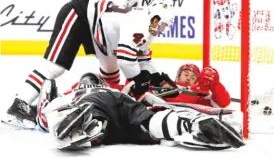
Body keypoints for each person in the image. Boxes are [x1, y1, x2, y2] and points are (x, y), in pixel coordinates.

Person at [4, 0, 177, 128]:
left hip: (101, 33)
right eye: (162, 25)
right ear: (155, 18)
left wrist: (157, 78)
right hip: (79, 14)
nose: (162, 29)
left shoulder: (146, 26)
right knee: (54, 67)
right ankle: (18, 106)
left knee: (111, 75)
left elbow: (143, 59)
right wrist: (139, 80)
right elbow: (126, 59)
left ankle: (103, 106)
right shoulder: (140, 23)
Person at [36, 73, 244, 150]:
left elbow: (46, 113)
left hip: (101, 105)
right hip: (129, 111)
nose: (188, 78)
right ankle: (191, 126)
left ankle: (93, 126)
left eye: (192, 75)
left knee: (95, 114)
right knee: (152, 122)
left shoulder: (79, 94)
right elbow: (131, 94)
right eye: (185, 74)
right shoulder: (108, 90)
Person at [160, 64, 231, 108]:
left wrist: (215, 84)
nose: (188, 78)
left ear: (196, 82)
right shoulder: (164, 84)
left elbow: (223, 103)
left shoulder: (199, 95)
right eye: (186, 75)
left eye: (193, 78)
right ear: (178, 75)